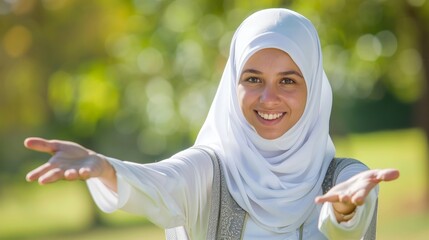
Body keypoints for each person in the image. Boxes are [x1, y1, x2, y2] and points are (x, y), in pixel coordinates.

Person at [25, 8, 399, 239]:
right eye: (253, 79)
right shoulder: (210, 171)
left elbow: (346, 226)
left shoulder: (347, 178)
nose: (268, 99)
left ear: (314, 88)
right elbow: (160, 182)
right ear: (232, 85)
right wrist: (106, 168)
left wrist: (347, 210)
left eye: (288, 80)